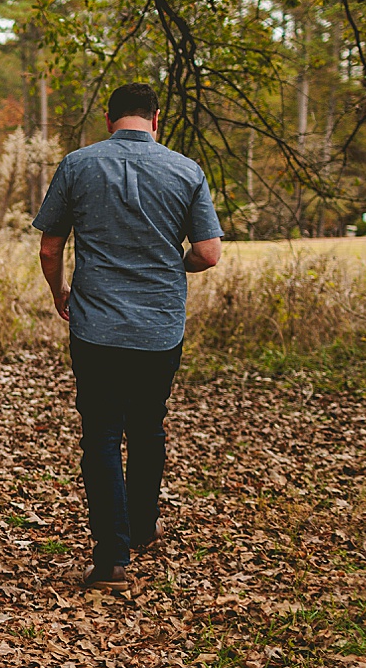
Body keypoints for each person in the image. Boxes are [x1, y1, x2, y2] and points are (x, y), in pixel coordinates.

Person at [33, 82, 223, 592]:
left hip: (96, 327)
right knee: (147, 426)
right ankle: (142, 526)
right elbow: (207, 254)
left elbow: (51, 248)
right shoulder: (186, 171)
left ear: (109, 118)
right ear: (156, 119)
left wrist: (60, 293)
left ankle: (112, 559)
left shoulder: (78, 165)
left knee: (100, 434)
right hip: (160, 327)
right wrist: (171, 263)